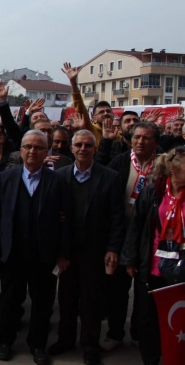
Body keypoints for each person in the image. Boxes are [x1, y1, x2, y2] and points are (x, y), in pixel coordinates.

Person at [0, 130, 72, 365]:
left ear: (47, 152)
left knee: (43, 305)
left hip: (44, 255)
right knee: (9, 301)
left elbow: (67, 221)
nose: (32, 152)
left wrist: (63, 254)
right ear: (21, 150)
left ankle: (37, 345)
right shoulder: (6, 178)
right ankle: (5, 342)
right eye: (28, 147)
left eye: (38, 148)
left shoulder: (57, 181)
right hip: (13, 252)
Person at [51, 130, 125, 365]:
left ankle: (90, 345)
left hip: (96, 250)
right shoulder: (59, 176)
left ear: (95, 148)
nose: (83, 149)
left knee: (92, 302)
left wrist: (113, 248)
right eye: (79, 145)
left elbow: (116, 216)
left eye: (88, 145)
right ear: (71, 149)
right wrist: (59, 253)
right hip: (67, 251)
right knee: (66, 299)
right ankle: (65, 340)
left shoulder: (110, 177)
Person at [122, 146, 185, 365]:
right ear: (173, 168)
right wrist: (130, 259)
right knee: (147, 316)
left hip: (181, 267)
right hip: (153, 265)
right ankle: (150, 358)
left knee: (178, 316)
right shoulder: (153, 191)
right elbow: (136, 227)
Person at [103, 122, 161, 351]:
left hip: (150, 237)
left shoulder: (163, 165)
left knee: (144, 290)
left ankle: (140, 333)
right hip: (120, 232)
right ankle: (115, 333)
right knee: (117, 289)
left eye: (146, 138)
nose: (140, 142)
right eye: (136, 137)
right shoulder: (120, 162)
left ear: (156, 142)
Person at [63, 62, 112, 145]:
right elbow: (80, 107)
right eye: (101, 112)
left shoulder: (119, 135)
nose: (106, 113)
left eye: (108, 111)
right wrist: (73, 83)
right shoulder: (91, 130)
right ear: (94, 117)